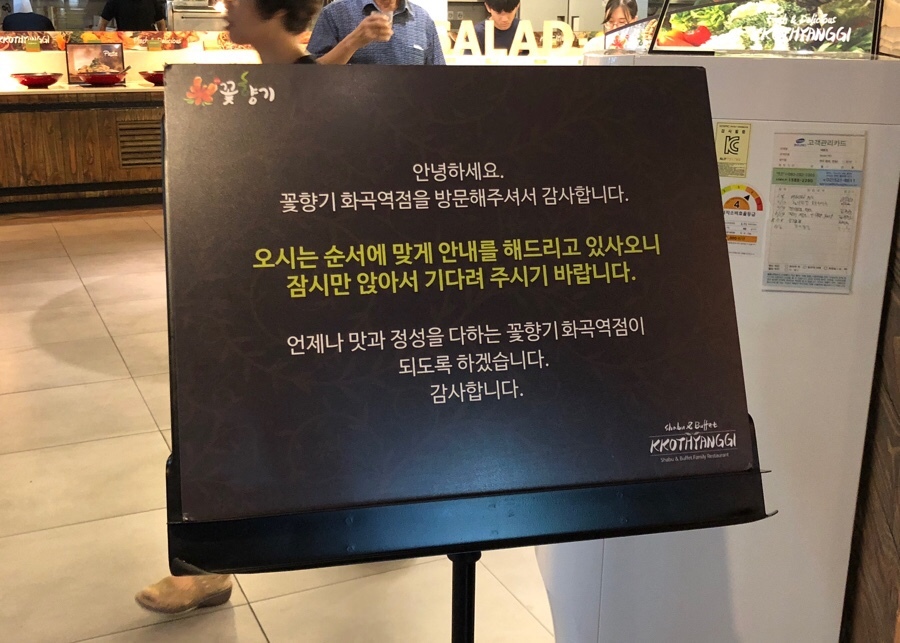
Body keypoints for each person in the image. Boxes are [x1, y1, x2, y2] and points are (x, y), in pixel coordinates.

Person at [135, 0, 323, 614]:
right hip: (247, 295)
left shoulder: (313, 92)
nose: (225, 6)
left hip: (293, 299)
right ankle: (207, 566)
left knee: (248, 424)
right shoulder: (243, 88)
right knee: (217, 423)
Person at [307, 0, 445, 65]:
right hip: (351, 111)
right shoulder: (334, 13)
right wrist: (353, 42)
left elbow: (439, 80)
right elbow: (311, 77)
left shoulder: (423, 19)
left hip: (409, 112)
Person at [97, 0, 165, 31]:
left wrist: (163, 41)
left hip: (149, 42)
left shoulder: (153, 1)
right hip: (125, 41)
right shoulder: (115, 1)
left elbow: (161, 23)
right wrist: (103, 44)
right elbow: (102, 24)